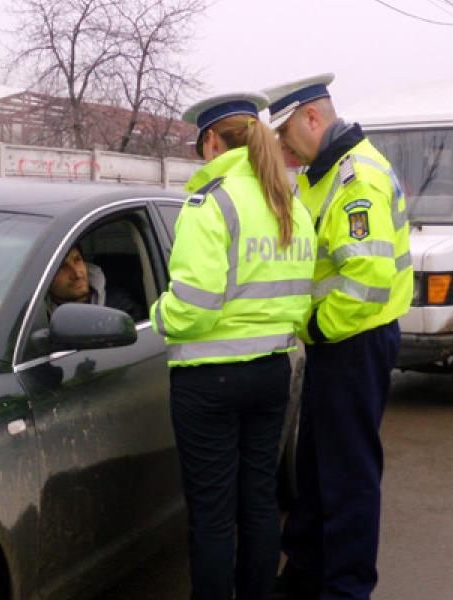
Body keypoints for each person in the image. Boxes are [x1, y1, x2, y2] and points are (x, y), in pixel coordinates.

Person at [151, 91, 316, 600]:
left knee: (213, 515)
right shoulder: (291, 206)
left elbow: (194, 307)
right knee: (259, 502)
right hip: (271, 374)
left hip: (208, 382)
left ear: (210, 142)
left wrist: (158, 314)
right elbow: (300, 300)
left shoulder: (211, 203)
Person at [263, 73, 413, 600]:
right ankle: (305, 574)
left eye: (285, 136)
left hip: (353, 341)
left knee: (348, 475)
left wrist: (312, 326)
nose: (283, 149)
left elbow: (366, 282)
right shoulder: (324, 174)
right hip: (338, 343)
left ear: (312, 118)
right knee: (315, 466)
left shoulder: (356, 180)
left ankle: (347, 588)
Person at [47, 243, 140, 318]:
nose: (77, 274)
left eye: (77, 260)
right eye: (62, 266)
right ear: (47, 277)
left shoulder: (119, 307)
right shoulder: (40, 319)